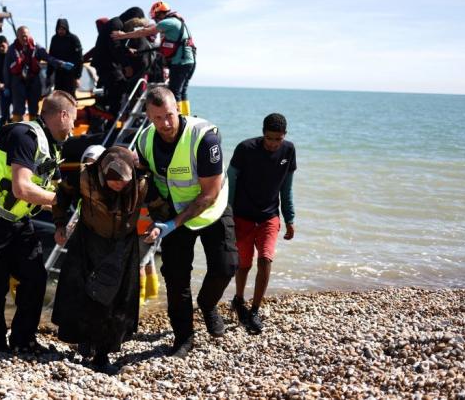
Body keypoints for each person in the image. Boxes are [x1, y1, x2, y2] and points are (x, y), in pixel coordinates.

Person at [0, 90, 78, 353]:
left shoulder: (52, 148)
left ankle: (24, 340)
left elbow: (54, 188)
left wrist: (60, 223)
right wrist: (58, 200)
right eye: (73, 120)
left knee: (35, 276)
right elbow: (22, 189)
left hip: (16, 220)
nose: (74, 127)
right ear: (63, 115)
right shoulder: (24, 136)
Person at [137, 86, 238, 358]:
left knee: (227, 266)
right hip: (172, 213)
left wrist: (174, 223)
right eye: (157, 118)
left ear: (179, 109)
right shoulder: (144, 140)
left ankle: (207, 304)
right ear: (148, 116)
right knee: (176, 278)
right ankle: (184, 337)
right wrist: (154, 216)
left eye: (169, 115)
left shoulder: (204, 137)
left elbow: (210, 193)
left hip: (210, 209)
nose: (165, 123)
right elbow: (145, 180)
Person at [51, 146, 147, 372]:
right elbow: (62, 196)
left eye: (123, 181)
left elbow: (160, 205)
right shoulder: (85, 176)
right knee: (83, 294)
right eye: (113, 181)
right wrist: (59, 224)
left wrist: (159, 225)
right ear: (103, 173)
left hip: (122, 246)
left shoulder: (142, 184)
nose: (118, 185)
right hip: (88, 241)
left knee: (114, 299)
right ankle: (85, 339)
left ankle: (103, 354)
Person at [228, 113, 296, 334]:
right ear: (262, 133)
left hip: (269, 216)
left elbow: (286, 188)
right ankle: (239, 300)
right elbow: (230, 182)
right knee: (244, 264)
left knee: (266, 259)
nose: (273, 144)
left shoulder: (289, 150)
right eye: (269, 138)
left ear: (284, 136)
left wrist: (290, 218)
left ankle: (255, 309)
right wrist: (226, 215)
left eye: (278, 139)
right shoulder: (245, 149)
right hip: (243, 217)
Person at [112, 1, 196, 115]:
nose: (156, 21)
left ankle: (179, 118)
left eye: (156, 18)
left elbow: (144, 32)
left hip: (180, 62)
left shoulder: (168, 22)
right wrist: (140, 51)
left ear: (160, 14)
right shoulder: (178, 22)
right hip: (189, 61)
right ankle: (186, 116)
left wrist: (123, 35)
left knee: (174, 92)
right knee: (182, 92)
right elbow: (161, 47)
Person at [3, 26, 74, 123]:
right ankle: (18, 130)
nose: (25, 38)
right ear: (17, 36)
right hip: (18, 81)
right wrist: (7, 86)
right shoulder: (12, 49)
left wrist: (61, 63)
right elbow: (6, 69)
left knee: (34, 108)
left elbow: (48, 58)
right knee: (18, 109)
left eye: (26, 36)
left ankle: (34, 130)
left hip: (33, 80)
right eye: (22, 36)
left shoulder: (36, 47)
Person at [47, 19, 83, 97]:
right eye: (59, 29)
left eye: (63, 29)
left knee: (70, 97)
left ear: (66, 29)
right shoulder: (54, 39)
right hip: (59, 74)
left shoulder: (73, 39)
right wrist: (48, 75)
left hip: (71, 74)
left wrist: (77, 77)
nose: (61, 31)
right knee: (58, 97)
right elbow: (51, 58)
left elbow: (79, 59)